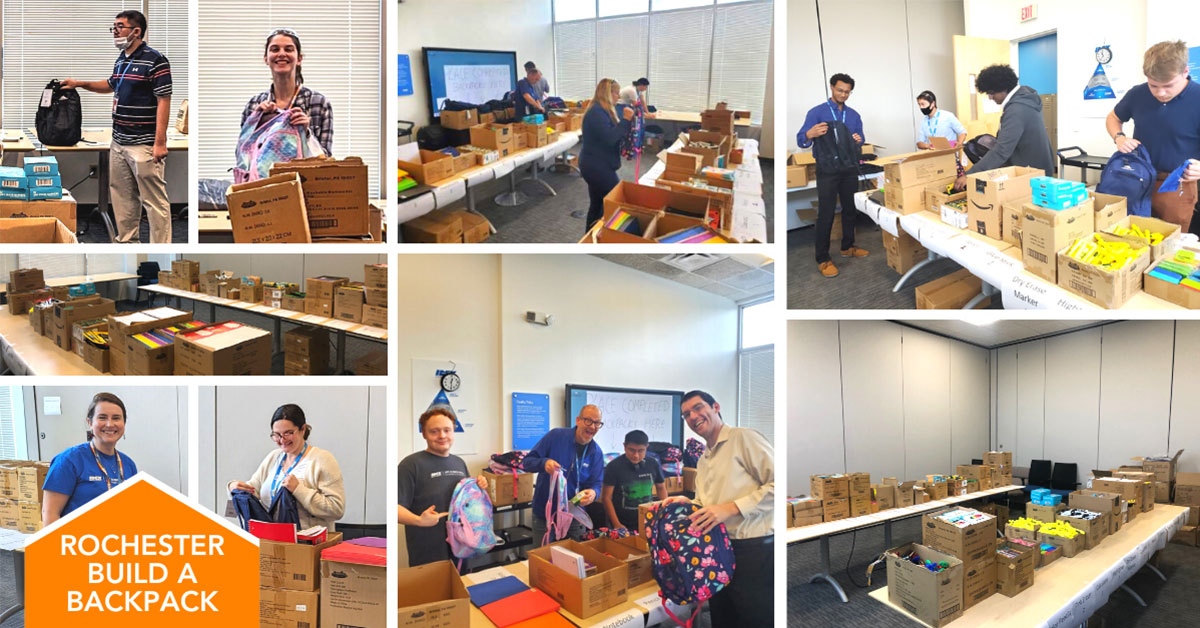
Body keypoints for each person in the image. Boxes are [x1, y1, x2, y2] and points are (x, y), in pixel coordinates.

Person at [664, 390, 773, 627]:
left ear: (715, 406)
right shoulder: (704, 459)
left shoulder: (744, 438)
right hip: (717, 549)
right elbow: (707, 504)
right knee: (724, 616)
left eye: (698, 407)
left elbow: (777, 485)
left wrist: (732, 508)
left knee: (755, 617)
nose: (693, 416)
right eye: (686, 414)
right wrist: (686, 503)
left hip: (752, 549)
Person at [61, 11, 172, 243]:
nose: (115, 31)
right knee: (122, 198)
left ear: (136, 31)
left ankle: (160, 247)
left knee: (154, 202)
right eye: (113, 27)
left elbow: (164, 100)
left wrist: (159, 143)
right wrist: (79, 84)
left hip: (143, 144)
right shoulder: (123, 58)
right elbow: (111, 85)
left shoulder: (155, 60)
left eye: (120, 27)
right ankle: (128, 243)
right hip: (119, 141)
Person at [1107, 40, 1200, 233]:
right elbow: (1113, 117)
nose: (1161, 93)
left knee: (1170, 243)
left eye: (1168, 85)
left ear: (1185, 73)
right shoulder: (1137, 94)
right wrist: (1119, 138)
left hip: (1178, 185)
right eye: (1154, 85)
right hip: (1136, 178)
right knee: (1132, 235)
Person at [226, 404, 345, 531]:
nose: (282, 440)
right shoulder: (274, 457)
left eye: (288, 433)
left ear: (302, 429)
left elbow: (336, 509)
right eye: (276, 434)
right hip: (271, 543)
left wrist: (299, 490)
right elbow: (253, 489)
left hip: (306, 547)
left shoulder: (322, 459)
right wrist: (233, 487)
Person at [396, 406, 490, 568]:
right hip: (428, 552)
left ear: (453, 432)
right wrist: (418, 520)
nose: (442, 436)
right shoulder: (410, 465)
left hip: (461, 547)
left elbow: (465, 500)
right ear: (424, 434)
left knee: (460, 590)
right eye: (434, 431)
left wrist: (479, 485)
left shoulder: (459, 463)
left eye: (447, 430)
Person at [797, 73, 869, 278]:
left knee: (849, 209)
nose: (843, 94)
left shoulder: (854, 115)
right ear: (831, 88)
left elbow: (861, 139)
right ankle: (823, 258)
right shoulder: (816, 112)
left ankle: (847, 247)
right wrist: (810, 134)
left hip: (849, 168)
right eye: (840, 90)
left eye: (847, 92)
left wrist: (858, 139)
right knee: (826, 213)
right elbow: (802, 139)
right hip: (827, 169)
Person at [42, 393, 138, 527]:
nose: (110, 424)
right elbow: (50, 515)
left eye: (116, 418)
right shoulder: (69, 461)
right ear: (90, 422)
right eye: (102, 418)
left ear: (124, 423)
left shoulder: (128, 465)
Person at [954, 64, 1054, 190]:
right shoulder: (1026, 99)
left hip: (1033, 175)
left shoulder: (1017, 109)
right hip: (1040, 167)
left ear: (1003, 88)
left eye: (991, 93)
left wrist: (969, 175)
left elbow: (1002, 150)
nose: (990, 97)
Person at [242, 29, 333, 157]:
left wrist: (306, 135)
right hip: (264, 177)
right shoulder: (254, 105)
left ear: (299, 58)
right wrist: (255, 123)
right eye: (275, 49)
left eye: (289, 49)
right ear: (266, 59)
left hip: (304, 177)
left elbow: (326, 162)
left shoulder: (319, 103)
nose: (281, 54)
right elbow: (244, 158)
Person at [524, 404, 606, 546]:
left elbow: (596, 484)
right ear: (578, 420)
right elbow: (527, 462)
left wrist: (593, 493)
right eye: (588, 421)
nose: (592, 427)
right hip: (545, 516)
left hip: (574, 516)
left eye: (597, 423)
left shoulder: (596, 453)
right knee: (542, 561)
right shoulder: (556, 436)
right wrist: (544, 463)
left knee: (574, 560)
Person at [579, 78, 635, 232]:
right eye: (616, 93)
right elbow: (610, 138)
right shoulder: (597, 112)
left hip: (597, 163)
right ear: (608, 93)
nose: (618, 96)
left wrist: (626, 123)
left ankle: (590, 236)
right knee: (615, 199)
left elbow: (612, 133)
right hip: (596, 166)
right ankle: (606, 234)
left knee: (597, 204)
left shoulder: (603, 110)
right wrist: (626, 120)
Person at [601, 430, 667, 530]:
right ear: (624, 446)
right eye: (631, 450)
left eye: (640, 451)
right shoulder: (614, 466)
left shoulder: (653, 464)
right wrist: (616, 524)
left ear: (647, 448)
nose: (636, 455)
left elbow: (661, 488)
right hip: (622, 522)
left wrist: (664, 516)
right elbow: (606, 497)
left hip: (648, 520)